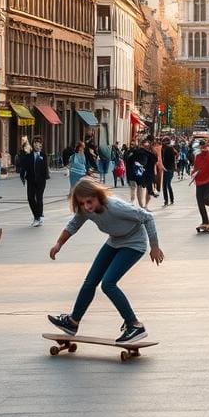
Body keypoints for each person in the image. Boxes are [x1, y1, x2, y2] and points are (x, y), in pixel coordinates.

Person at [47, 178, 164, 344]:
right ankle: (73, 322)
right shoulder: (85, 210)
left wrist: (154, 246)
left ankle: (135, 325)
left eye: (90, 201)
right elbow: (73, 225)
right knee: (90, 281)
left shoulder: (114, 206)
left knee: (108, 284)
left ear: (98, 196)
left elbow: (147, 217)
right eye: (82, 203)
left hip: (134, 244)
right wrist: (58, 244)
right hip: (115, 241)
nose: (87, 207)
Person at [20, 136, 50, 226]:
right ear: (33, 144)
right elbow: (23, 164)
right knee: (30, 198)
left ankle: (38, 217)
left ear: (41, 145)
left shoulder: (43, 155)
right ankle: (38, 214)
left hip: (41, 180)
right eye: (35, 143)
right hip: (31, 179)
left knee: (39, 198)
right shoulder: (29, 154)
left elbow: (45, 168)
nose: (37, 145)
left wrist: (45, 177)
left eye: (39, 143)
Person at [160, 137, 178, 207]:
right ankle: (172, 199)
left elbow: (165, 159)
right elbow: (176, 155)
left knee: (165, 185)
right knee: (168, 184)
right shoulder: (171, 148)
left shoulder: (167, 148)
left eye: (163, 141)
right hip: (171, 169)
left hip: (167, 168)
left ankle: (166, 201)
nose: (162, 143)